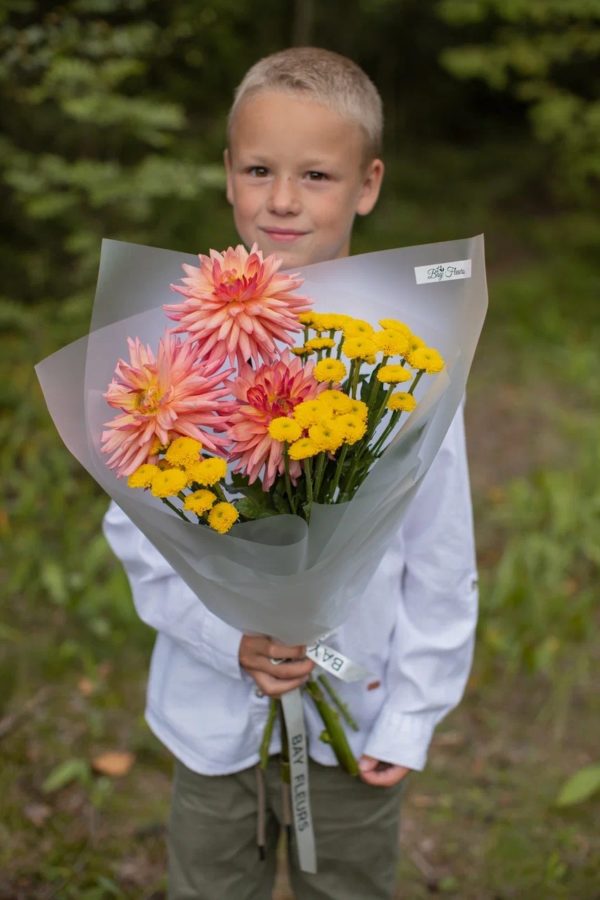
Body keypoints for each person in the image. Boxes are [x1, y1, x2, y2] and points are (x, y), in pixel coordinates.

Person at [103, 46, 478, 900]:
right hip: (212, 718)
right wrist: (229, 640)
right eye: (260, 169)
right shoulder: (175, 347)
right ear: (228, 175)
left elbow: (442, 551)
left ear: (367, 185)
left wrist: (413, 711)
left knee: (345, 884)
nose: (281, 199)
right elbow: (139, 528)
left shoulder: (408, 354)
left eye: (315, 174)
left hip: (357, 711)